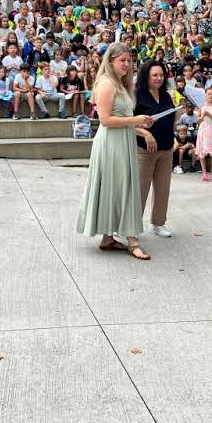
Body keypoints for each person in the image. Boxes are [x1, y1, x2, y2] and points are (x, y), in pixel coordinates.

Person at [76, 42, 153, 260]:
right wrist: (136, 120)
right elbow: (106, 120)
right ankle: (132, 240)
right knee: (122, 186)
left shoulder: (120, 84)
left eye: (129, 60)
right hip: (110, 143)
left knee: (118, 186)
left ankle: (108, 238)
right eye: (122, 60)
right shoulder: (106, 84)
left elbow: (122, 120)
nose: (126, 64)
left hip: (122, 140)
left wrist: (140, 128)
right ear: (110, 61)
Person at [134, 60, 178, 238]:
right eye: (155, 75)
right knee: (140, 189)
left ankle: (158, 223)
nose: (159, 78)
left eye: (161, 75)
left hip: (166, 148)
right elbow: (127, 123)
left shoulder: (166, 95)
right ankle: (132, 226)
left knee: (163, 188)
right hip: (145, 150)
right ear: (146, 76)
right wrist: (145, 133)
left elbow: (171, 118)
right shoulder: (137, 96)